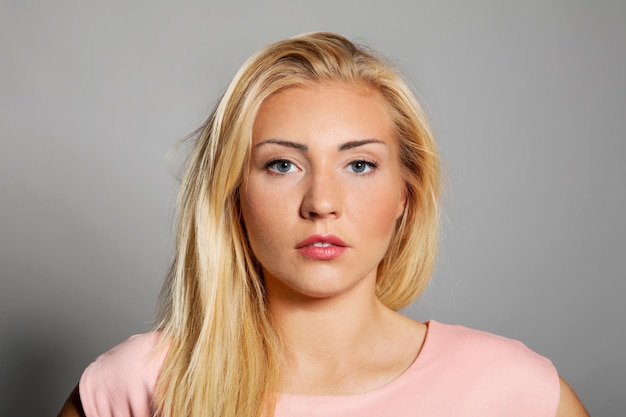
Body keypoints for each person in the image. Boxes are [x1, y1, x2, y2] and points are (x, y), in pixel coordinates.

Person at [58, 32, 589, 417]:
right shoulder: (137, 385)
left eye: (359, 165)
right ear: (232, 193)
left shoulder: (511, 391)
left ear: (408, 192)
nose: (322, 203)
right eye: (281, 165)